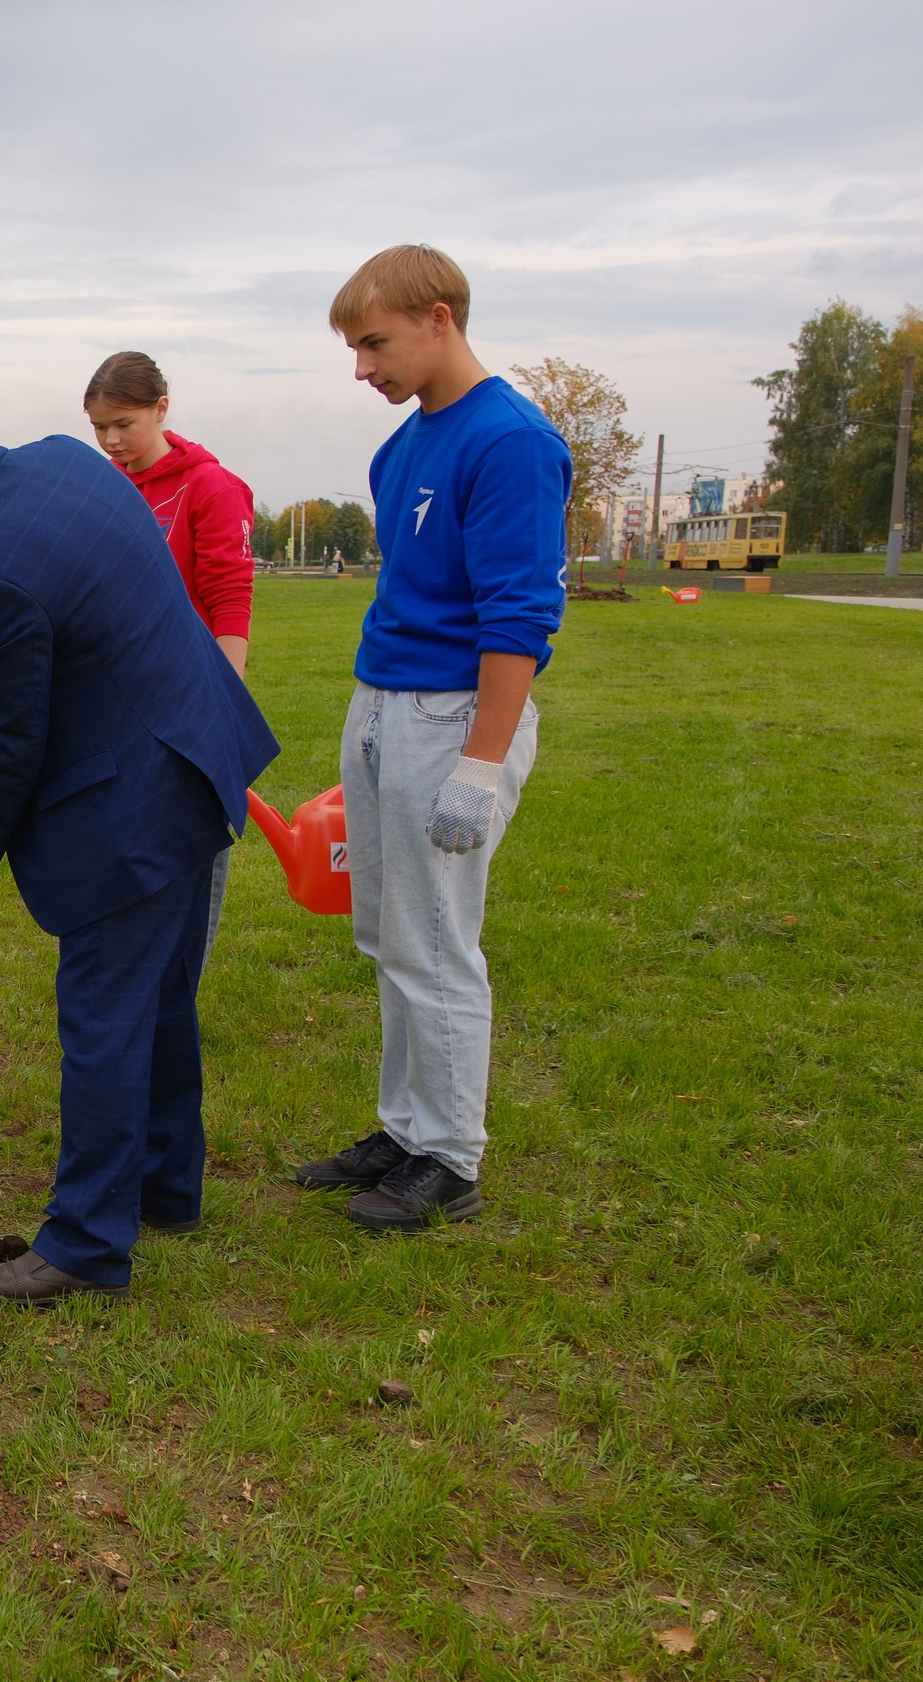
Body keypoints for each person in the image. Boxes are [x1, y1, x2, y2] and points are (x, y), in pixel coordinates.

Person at [0, 398, 279, 1303]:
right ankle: (166, 1187)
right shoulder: (64, 463)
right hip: (198, 759)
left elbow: (10, 751)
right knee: (158, 999)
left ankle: (84, 1244)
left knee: (106, 1016)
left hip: (134, 805)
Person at [288, 245, 567, 1233]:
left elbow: (518, 621)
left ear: (438, 317)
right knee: (385, 933)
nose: (362, 368)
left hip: (451, 717)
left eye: (374, 342)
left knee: (437, 942)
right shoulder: (402, 446)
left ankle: (449, 1156)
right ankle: (402, 1130)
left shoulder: (510, 442)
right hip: (380, 704)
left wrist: (479, 768)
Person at [84, 351, 255, 952]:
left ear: (160, 409)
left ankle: (174, 1009)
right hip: (123, 707)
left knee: (189, 859)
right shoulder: (106, 485)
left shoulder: (208, 486)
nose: (110, 440)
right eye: (98, 427)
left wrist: (224, 703)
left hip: (191, 704)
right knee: (128, 863)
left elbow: (231, 596)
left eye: (123, 424)